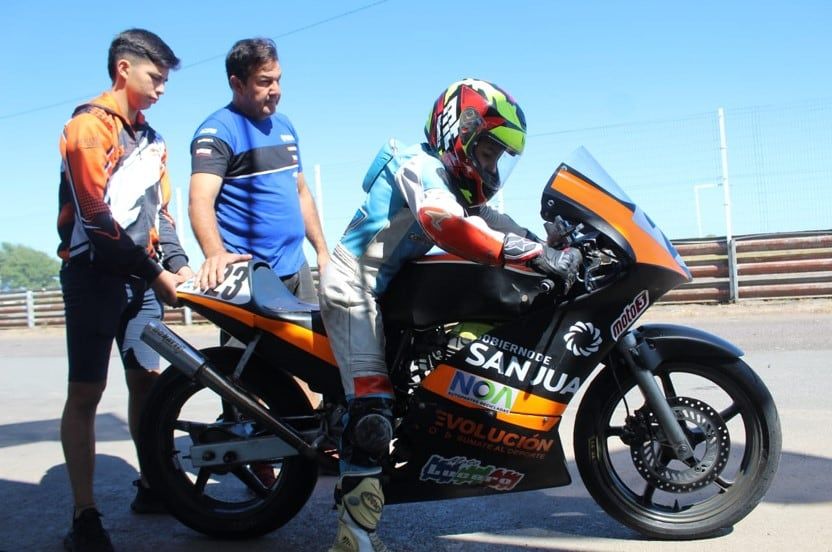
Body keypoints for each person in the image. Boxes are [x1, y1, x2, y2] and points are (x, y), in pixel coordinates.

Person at [318, 78, 582, 552]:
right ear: (458, 130)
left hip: (387, 289)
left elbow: (492, 222)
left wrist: (548, 245)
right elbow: (448, 225)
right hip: (353, 283)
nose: (491, 166)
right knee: (373, 406)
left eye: (499, 157)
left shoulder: (449, 179)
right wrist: (531, 257)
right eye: (487, 151)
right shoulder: (417, 167)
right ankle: (353, 538)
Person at [57, 28, 192, 552]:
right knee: (86, 394)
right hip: (94, 275)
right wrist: (157, 274)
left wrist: (178, 264)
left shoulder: (155, 141)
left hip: (142, 278)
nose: (161, 89)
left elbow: (162, 214)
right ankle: (84, 515)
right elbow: (95, 219)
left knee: (148, 387)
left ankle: (153, 482)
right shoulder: (87, 128)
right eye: (155, 77)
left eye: (164, 80)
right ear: (123, 70)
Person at [189, 37, 329, 300]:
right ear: (237, 84)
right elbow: (199, 200)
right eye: (265, 81)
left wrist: (322, 251)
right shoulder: (217, 132)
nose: (276, 90)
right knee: (246, 345)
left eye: (278, 80)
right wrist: (216, 254)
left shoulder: (285, 126)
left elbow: (301, 193)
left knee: (310, 342)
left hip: (297, 268)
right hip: (249, 276)